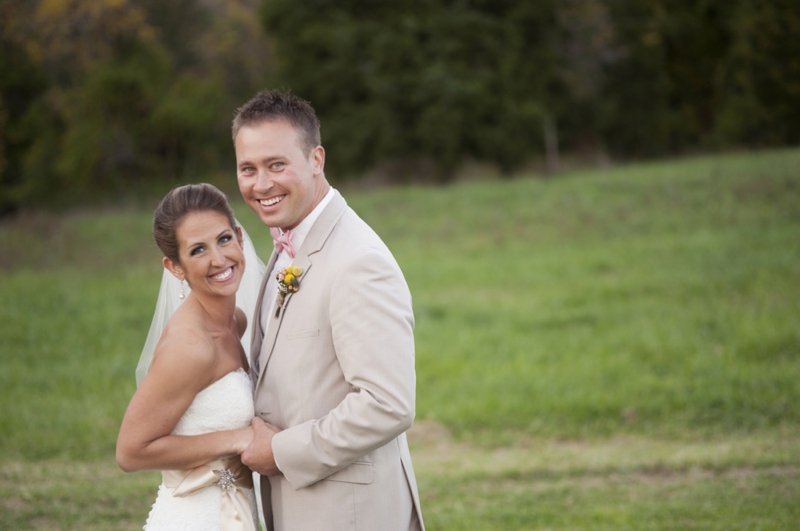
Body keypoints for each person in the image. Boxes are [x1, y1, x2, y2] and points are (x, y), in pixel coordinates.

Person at [234, 90, 425, 530]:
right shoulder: (290, 243)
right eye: (248, 168)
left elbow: (388, 404)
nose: (261, 184)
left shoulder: (358, 262)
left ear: (316, 159)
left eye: (276, 165)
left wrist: (279, 452)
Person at [116, 183, 264, 531]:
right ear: (175, 267)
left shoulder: (236, 322)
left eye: (224, 239)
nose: (219, 259)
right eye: (198, 250)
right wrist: (238, 439)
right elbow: (130, 451)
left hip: (235, 511)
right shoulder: (191, 346)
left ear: (240, 237)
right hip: (198, 518)